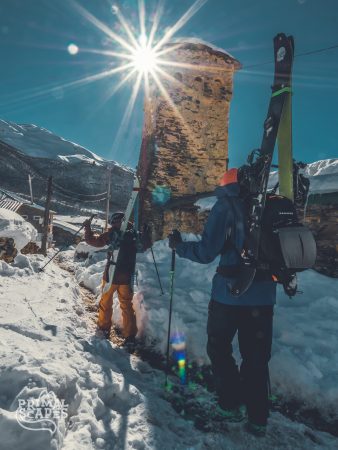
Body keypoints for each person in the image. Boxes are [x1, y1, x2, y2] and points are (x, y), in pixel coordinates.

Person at [168, 168, 276, 437]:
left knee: (219, 348)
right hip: (263, 299)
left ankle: (230, 404)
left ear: (227, 184)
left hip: (229, 297)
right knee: (256, 358)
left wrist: (178, 246)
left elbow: (206, 252)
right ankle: (258, 418)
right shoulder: (268, 205)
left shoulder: (226, 205)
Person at [83, 212, 151, 344]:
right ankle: (130, 335)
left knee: (106, 302)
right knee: (126, 304)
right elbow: (145, 247)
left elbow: (94, 242)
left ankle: (103, 329)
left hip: (112, 274)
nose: (113, 225)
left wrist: (87, 228)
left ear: (116, 222)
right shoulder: (134, 235)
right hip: (127, 275)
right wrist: (146, 235)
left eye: (113, 222)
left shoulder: (112, 234)